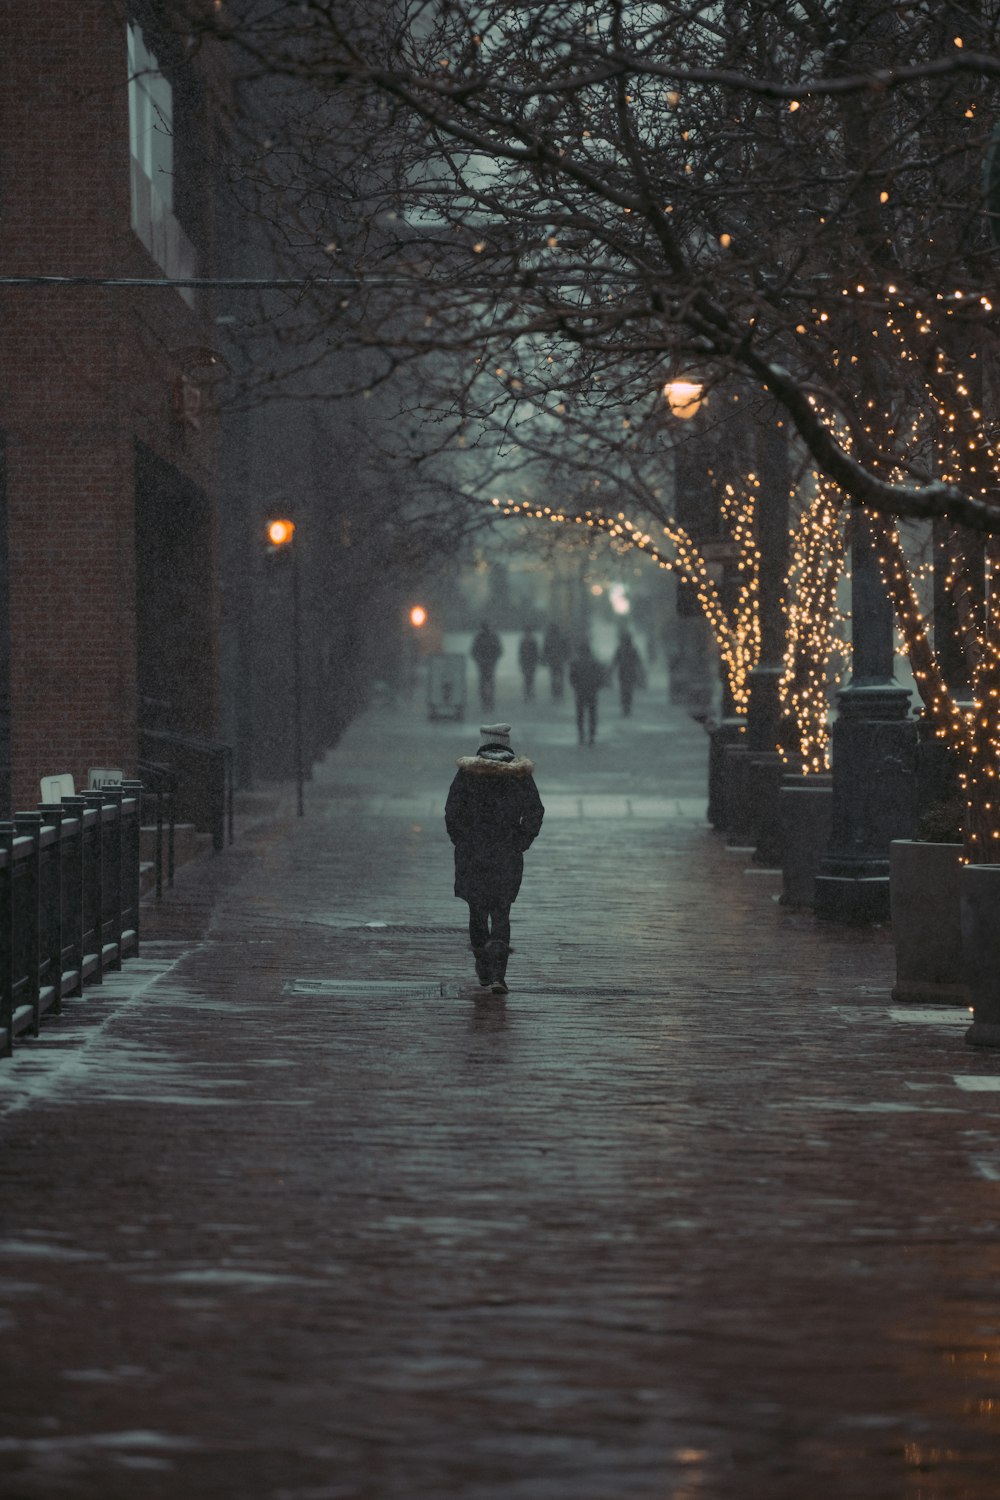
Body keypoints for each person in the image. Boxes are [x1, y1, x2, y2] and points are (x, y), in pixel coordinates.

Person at [445, 723, 545, 994]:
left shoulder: (468, 773)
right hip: (506, 854)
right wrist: (520, 841)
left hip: (473, 853)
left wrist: (463, 840)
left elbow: (452, 810)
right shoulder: (519, 775)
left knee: (477, 911)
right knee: (501, 912)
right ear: (507, 744)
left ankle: (482, 965)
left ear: (483, 742)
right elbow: (535, 810)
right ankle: (499, 973)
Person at [568, 639, 606, 746]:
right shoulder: (594, 662)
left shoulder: (575, 662)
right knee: (592, 714)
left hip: (580, 692)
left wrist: (575, 686)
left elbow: (572, 677)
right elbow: (600, 676)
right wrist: (597, 687)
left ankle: (581, 735)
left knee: (580, 715)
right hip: (592, 692)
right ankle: (591, 735)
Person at [611, 626, 644, 717]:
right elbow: (638, 662)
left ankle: (626, 708)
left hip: (625, 673)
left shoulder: (623, 649)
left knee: (625, 691)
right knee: (627, 691)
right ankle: (626, 708)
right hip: (628, 673)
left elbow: (615, 661)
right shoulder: (631, 649)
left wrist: (611, 671)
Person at [470, 621, 503, 711]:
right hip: (486, 665)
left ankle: (487, 703)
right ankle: (487, 703)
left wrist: (483, 660)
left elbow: (474, 651)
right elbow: (499, 650)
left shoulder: (481, 637)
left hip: (486, 664)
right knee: (488, 684)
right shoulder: (491, 637)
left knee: (485, 684)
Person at [540, 621, 571, 700]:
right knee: (560, 677)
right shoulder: (562, 637)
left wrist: (544, 659)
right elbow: (566, 648)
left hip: (552, 661)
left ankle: (554, 692)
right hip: (560, 661)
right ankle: (560, 691)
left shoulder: (548, 637)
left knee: (553, 677)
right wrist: (567, 658)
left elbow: (545, 649)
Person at [518, 627, 540, 701]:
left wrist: (521, 661)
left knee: (527, 678)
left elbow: (520, 653)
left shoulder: (523, 641)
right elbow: (536, 653)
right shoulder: (533, 641)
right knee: (530, 678)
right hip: (530, 662)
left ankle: (528, 693)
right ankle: (529, 693)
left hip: (527, 662)